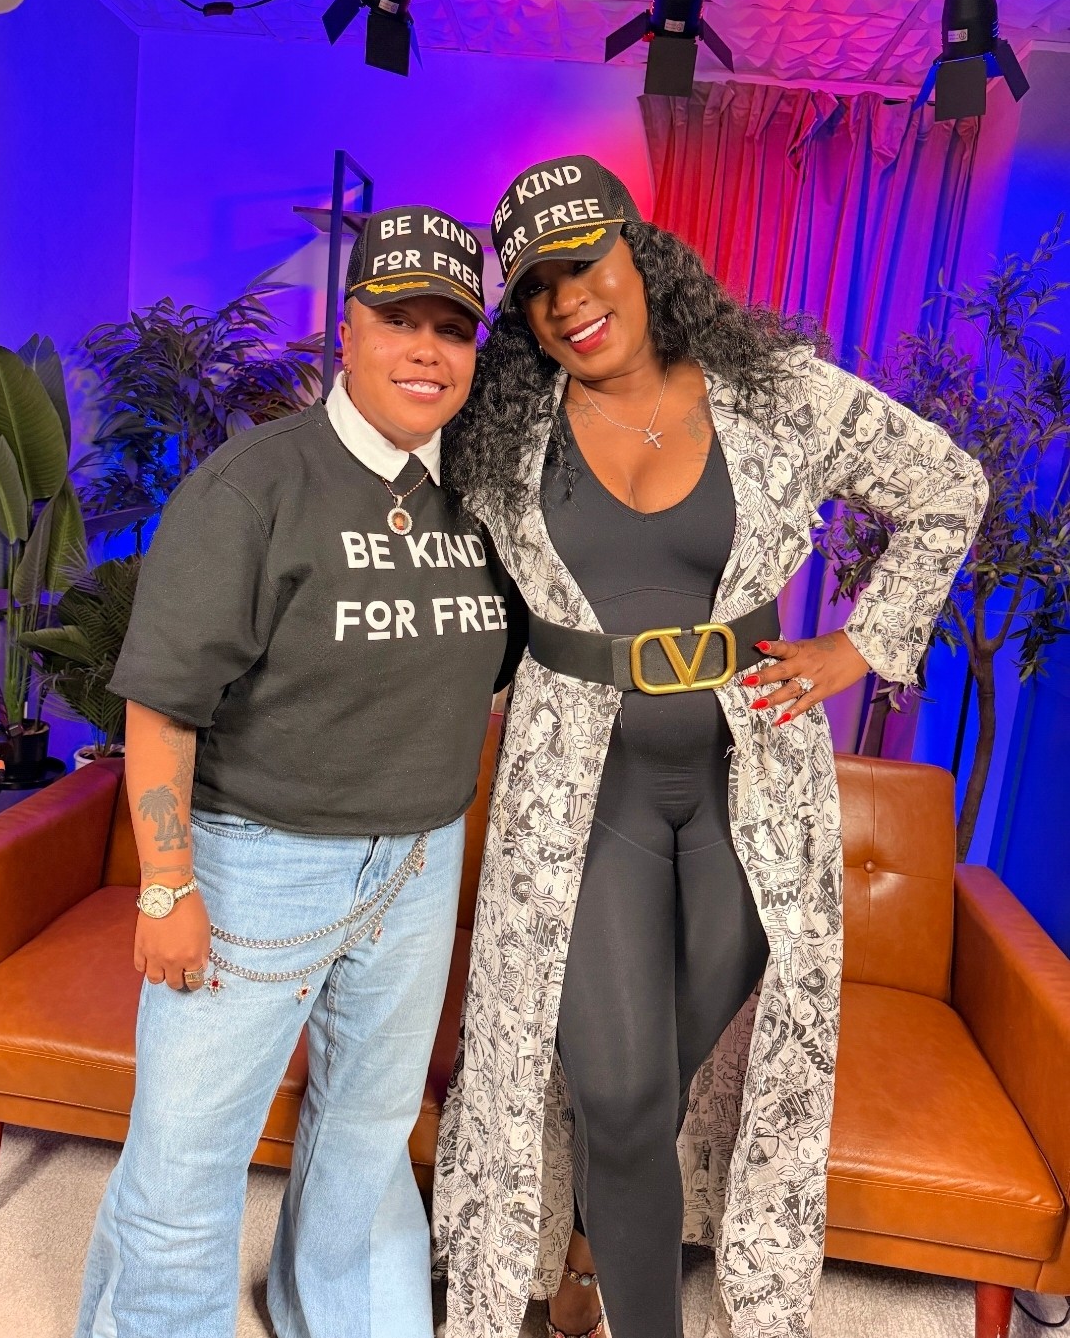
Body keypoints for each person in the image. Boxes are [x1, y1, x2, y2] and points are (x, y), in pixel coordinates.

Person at [433, 156, 988, 1338]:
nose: (567, 300)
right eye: (535, 289)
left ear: (639, 252)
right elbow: (388, 502)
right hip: (579, 799)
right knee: (624, 1094)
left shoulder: (772, 389)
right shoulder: (502, 428)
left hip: (753, 790)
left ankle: (588, 1246)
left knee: (655, 1082)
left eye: (584, 264)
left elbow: (948, 484)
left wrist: (863, 644)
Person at [74, 205, 524, 1338]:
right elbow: (161, 705)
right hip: (255, 865)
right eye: (398, 320)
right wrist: (167, 883)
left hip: (419, 861)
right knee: (186, 1159)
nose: (426, 349)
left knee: (369, 1136)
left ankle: (340, 1315)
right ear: (346, 332)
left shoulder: (477, 496)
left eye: (451, 328)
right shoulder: (254, 489)